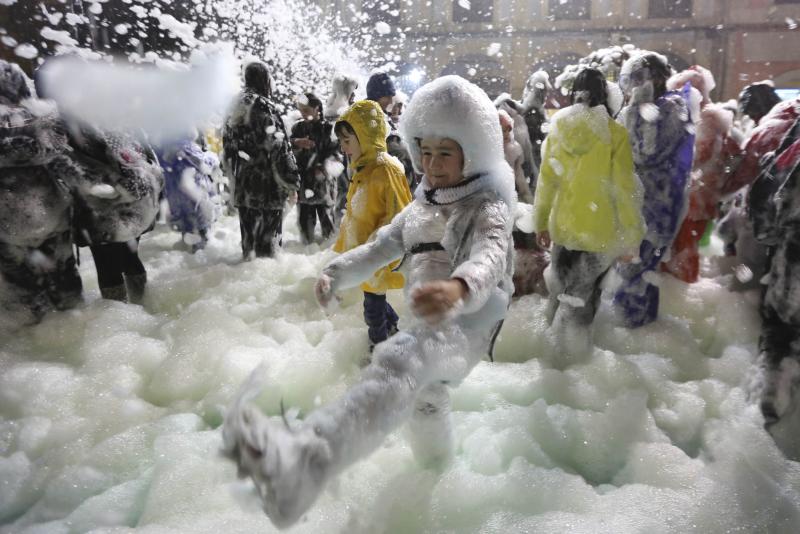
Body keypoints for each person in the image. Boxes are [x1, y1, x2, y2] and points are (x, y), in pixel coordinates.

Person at [222, 75, 516, 528]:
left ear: (471, 153)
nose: (432, 164)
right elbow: (382, 245)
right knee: (427, 399)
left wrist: (459, 288)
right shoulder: (422, 205)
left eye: (446, 153)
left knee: (400, 357)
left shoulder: (486, 205)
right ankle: (439, 478)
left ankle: (307, 463)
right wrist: (335, 274)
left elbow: (492, 254)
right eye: (426, 151)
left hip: (474, 318)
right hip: (435, 316)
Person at [533, 68, 645, 352]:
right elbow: (624, 188)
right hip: (599, 232)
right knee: (583, 298)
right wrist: (631, 235)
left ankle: (546, 357)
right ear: (606, 95)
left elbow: (546, 180)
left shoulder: (558, 127)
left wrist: (541, 222)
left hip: (563, 228)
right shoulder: (614, 133)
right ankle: (575, 363)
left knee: (559, 293)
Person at [614, 53, 695, 328]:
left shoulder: (671, 109)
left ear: (656, 79)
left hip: (655, 209)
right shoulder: (657, 108)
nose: (632, 87)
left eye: (638, 80)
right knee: (633, 273)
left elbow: (645, 152)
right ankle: (634, 339)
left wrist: (638, 108)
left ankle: (634, 334)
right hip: (641, 206)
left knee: (635, 274)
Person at [0, 60, 83, 324]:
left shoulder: (41, 112)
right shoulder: (43, 112)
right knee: (64, 280)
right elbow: (59, 147)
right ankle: (72, 324)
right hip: (50, 210)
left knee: (23, 289)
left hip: (9, 218)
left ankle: (39, 337)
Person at [331, 99, 412, 350]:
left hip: (377, 255)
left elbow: (399, 212)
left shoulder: (385, 169)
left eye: (347, 141)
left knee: (373, 310)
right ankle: (394, 335)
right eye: (342, 142)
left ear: (365, 137)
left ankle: (379, 349)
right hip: (365, 256)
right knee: (374, 303)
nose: (343, 149)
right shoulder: (364, 169)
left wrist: (378, 248)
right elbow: (356, 213)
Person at [660, 66, 742, 283]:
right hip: (698, 199)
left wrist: (714, 182)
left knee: (683, 254)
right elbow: (734, 156)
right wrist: (720, 184)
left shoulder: (705, 117)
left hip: (692, 200)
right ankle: (679, 297)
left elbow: (698, 156)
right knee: (683, 252)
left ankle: (681, 300)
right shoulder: (709, 117)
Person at [66, 123, 164, 303]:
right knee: (129, 257)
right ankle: (140, 307)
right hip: (134, 200)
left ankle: (124, 316)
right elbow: (150, 162)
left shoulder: (77, 120)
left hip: (99, 203)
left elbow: (69, 161)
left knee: (108, 265)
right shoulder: (122, 118)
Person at [222, 61, 300, 259]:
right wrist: (292, 181)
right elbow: (278, 147)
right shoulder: (263, 105)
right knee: (268, 254)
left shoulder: (233, 105)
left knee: (249, 251)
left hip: (243, 187)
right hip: (267, 189)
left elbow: (227, 149)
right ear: (265, 80)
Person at [290, 93, 341, 243]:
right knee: (304, 224)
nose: (302, 114)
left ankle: (328, 252)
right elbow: (285, 148)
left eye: (306, 110)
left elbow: (336, 154)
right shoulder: (298, 128)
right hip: (304, 183)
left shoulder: (328, 129)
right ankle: (306, 252)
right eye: (301, 110)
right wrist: (296, 143)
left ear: (316, 108)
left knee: (327, 223)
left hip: (323, 184)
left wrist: (323, 167)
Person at [158, 135, 221, 251]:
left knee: (189, 236)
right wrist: (213, 157)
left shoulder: (164, 148)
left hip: (177, 201)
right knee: (200, 241)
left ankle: (192, 259)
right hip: (194, 201)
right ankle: (200, 264)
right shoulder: (185, 147)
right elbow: (205, 165)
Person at [366, 71, 418, 191]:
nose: (390, 101)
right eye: (388, 96)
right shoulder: (370, 118)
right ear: (378, 95)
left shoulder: (381, 116)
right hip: (384, 188)